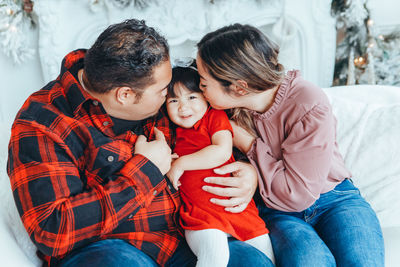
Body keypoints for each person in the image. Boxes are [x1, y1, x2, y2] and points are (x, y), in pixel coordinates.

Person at [7, 19, 270, 267]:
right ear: (125, 95)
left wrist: (249, 170)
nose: (170, 96)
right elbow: (52, 229)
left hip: (188, 231)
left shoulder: (143, 79)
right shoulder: (43, 123)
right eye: (162, 92)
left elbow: (214, 127)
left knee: (253, 262)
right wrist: (146, 170)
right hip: (110, 247)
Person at [196, 23, 385, 267]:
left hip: (336, 199)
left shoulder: (308, 103)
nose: (200, 91)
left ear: (239, 87)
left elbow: (298, 195)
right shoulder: (219, 110)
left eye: (203, 83)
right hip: (276, 210)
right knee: (309, 262)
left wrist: (248, 143)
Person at [165, 60, 275, 267]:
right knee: (215, 257)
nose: (183, 107)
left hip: (237, 209)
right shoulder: (169, 130)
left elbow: (222, 152)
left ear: (206, 98)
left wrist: (180, 164)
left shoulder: (213, 117)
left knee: (266, 256)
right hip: (201, 216)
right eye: (173, 101)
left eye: (191, 97)